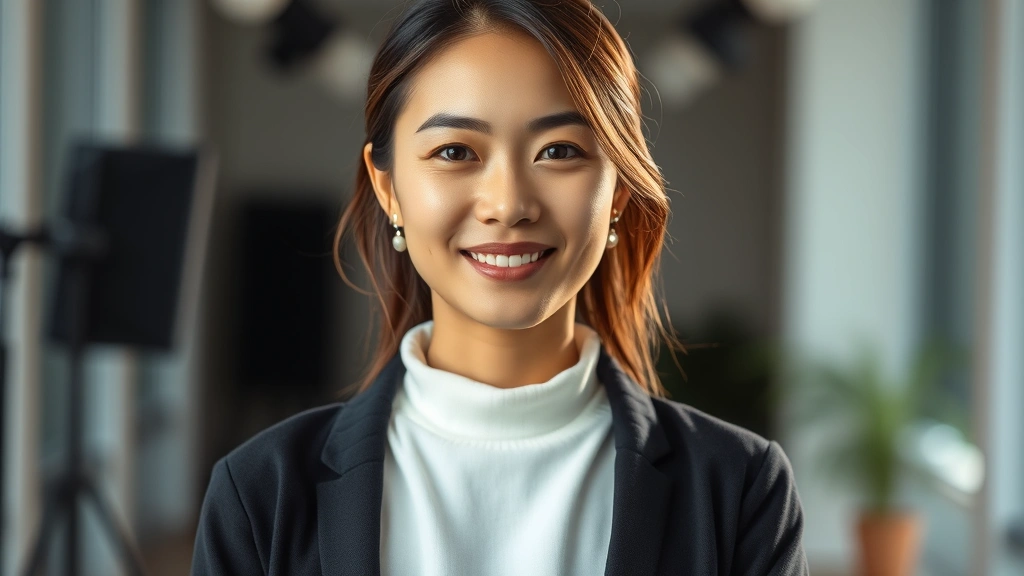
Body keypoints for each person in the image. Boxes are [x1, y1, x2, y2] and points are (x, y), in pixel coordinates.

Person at [191, 0, 809, 574]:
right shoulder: (259, 495)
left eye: (560, 150)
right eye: (456, 151)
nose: (508, 204)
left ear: (618, 191)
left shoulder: (741, 489)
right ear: (389, 191)